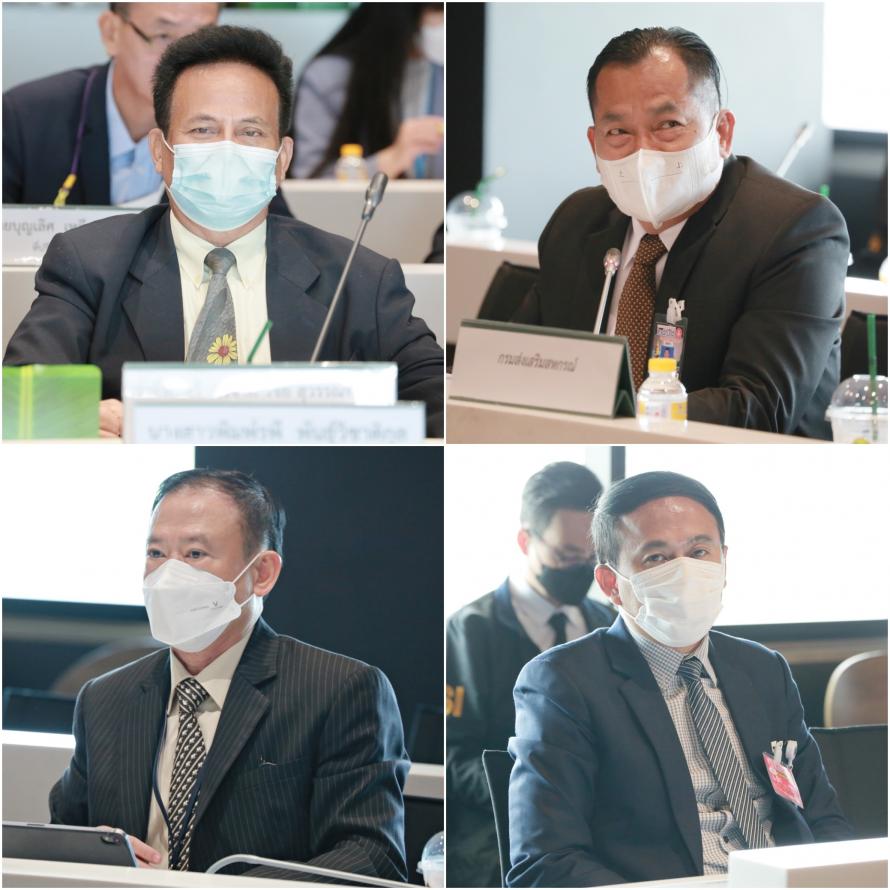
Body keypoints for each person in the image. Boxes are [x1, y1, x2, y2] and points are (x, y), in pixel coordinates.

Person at [3, 25, 444, 438]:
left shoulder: (359, 280)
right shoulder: (90, 263)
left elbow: (442, 408)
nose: (227, 150)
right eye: (203, 129)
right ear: (160, 152)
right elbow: (18, 398)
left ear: (282, 159)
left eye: (250, 131)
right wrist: (80, 416)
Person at [50, 468, 409, 880]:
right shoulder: (104, 697)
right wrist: (100, 852)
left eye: (195, 554)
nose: (168, 575)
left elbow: (371, 855)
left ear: (262, 573)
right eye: (156, 553)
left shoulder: (339, 689)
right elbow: (61, 835)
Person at [507, 471, 853, 887]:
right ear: (611, 584)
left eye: (699, 551)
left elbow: (823, 820)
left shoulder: (763, 670)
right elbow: (546, 862)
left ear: (724, 561)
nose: (685, 571)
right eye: (656, 558)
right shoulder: (563, 683)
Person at [513, 27, 849, 439]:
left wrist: (613, 412)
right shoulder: (578, 220)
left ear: (722, 132)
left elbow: (758, 408)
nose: (643, 152)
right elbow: (514, 365)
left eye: (668, 125)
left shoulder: (793, 230)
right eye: (618, 132)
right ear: (593, 142)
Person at [447, 462, 615, 888]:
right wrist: (536, 792)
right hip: (498, 835)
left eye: (591, 558)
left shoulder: (607, 624)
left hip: (604, 829)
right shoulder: (470, 631)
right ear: (526, 541)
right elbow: (454, 755)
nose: (580, 569)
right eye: (566, 556)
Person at [3, 3, 219, 206]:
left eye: (201, 38)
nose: (184, 61)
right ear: (111, 32)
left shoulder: (228, 131)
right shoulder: (23, 118)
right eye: (163, 36)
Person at [290, 3, 444, 180]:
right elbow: (309, 180)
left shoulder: (442, 72)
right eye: (437, 9)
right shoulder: (329, 77)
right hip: (362, 198)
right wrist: (391, 159)